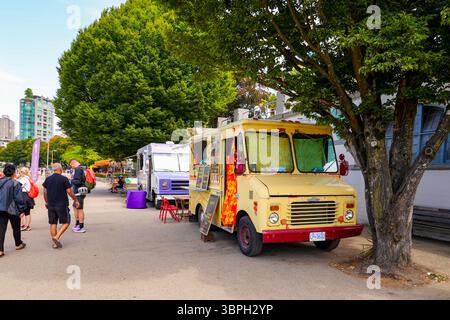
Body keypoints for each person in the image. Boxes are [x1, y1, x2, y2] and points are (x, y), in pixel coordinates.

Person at [43, 163, 80, 249]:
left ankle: (55, 243)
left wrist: (46, 202)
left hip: (51, 204)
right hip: (61, 204)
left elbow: (45, 192)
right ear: (61, 169)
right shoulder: (64, 179)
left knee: (53, 223)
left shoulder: (48, 179)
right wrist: (76, 200)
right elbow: (69, 191)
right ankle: (57, 237)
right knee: (66, 222)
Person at [0, 164, 27, 258]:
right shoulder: (15, 183)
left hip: (1, 208)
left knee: (1, 229)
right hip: (12, 209)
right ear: (14, 172)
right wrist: (22, 210)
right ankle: (18, 244)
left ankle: (0, 250)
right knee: (16, 227)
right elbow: (18, 198)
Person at [69, 159, 87, 233]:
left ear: (73, 164)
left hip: (79, 192)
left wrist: (71, 179)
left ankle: (81, 226)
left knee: (79, 209)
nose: (71, 167)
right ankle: (78, 223)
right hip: (78, 192)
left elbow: (78, 182)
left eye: (71, 165)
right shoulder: (80, 169)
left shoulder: (78, 169)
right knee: (75, 207)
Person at [18, 167, 35, 231]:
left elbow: (17, 186)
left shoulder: (23, 179)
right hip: (28, 196)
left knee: (22, 212)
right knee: (27, 212)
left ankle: (24, 225)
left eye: (20, 172)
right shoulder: (28, 178)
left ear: (22, 172)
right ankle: (26, 225)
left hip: (23, 196)